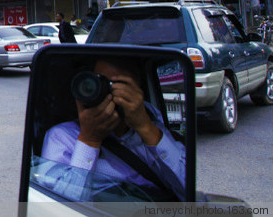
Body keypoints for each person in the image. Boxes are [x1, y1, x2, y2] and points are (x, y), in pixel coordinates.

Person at [41, 58, 185, 201]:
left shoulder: (151, 125)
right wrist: (89, 139)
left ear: (138, 91)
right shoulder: (61, 138)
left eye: (118, 85)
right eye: (98, 82)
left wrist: (145, 126)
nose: (107, 92)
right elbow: (60, 207)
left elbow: (187, 190)